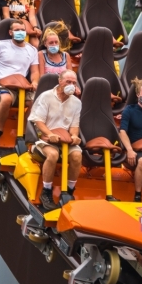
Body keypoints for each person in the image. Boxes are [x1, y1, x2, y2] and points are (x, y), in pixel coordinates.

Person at [0, 18, 40, 144]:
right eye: (17, 30)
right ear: (11, 32)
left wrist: (34, 82)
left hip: (22, 86)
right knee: (6, 99)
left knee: (37, 102)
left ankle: (24, 131)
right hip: (2, 85)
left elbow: (34, 71)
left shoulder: (32, 50)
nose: (20, 32)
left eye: (22, 30)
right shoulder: (1, 45)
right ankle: (0, 129)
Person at [28, 70, 82, 212]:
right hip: (45, 138)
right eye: (68, 82)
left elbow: (74, 126)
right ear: (60, 81)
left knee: (77, 156)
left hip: (65, 139)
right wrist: (50, 134)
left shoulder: (76, 102)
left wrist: (74, 136)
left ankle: (69, 191)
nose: (71, 85)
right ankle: (46, 191)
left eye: (74, 83)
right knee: (53, 154)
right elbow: (38, 121)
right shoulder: (46, 96)